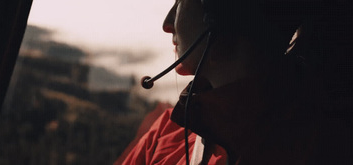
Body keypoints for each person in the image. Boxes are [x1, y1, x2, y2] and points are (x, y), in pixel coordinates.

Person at [117, 0, 352, 164]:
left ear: (218, 18)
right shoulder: (166, 131)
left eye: (181, 2)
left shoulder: (322, 150)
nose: (167, 23)